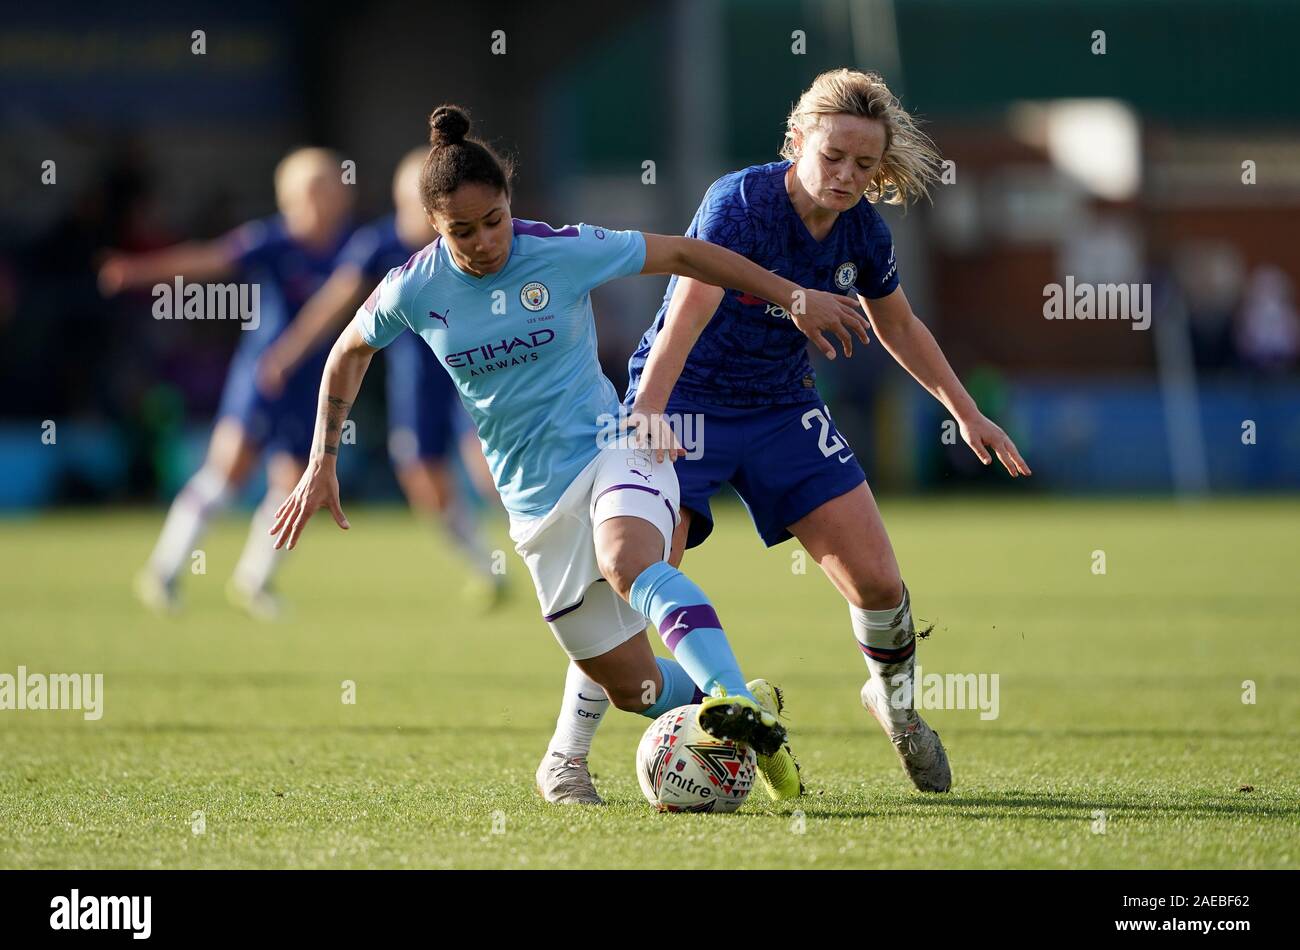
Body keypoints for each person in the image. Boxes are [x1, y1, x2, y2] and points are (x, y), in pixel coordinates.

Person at [269, 104, 868, 802]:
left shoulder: (560, 249)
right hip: (534, 505)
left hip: (616, 448)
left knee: (627, 559)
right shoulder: (414, 286)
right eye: (462, 231)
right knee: (634, 687)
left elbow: (683, 252)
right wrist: (323, 459)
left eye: (493, 219)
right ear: (433, 225)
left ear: (509, 201)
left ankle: (736, 699)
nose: (485, 240)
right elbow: (346, 351)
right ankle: (727, 695)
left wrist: (793, 295)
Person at [539, 68, 1032, 802]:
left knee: (878, 579)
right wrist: (648, 408)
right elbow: (688, 311)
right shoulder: (740, 202)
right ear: (796, 138)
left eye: (865, 165)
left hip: (780, 410)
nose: (847, 176)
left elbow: (896, 322)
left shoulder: (862, 228)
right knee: (638, 579)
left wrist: (963, 409)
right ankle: (566, 758)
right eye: (833, 156)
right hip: (685, 403)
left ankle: (896, 712)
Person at [99, 148, 355, 619]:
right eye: (317, 186)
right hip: (266, 376)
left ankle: (253, 580)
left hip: (316, 385)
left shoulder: (351, 246)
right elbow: (209, 260)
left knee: (294, 483)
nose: (330, 194)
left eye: (334, 184)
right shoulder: (272, 241)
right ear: (291, 196)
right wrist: (138, 271)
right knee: (228, 472)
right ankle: (165, 570)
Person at [256, 148, 503, 607]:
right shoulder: (379, 245)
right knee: (420, 477)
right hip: (417, 379)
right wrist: (288, 352)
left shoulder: (469, 239)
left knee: (486, 469)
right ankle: (487, 568)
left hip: (477, 369)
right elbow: (334, 302)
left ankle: (542, 552)